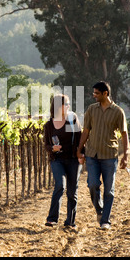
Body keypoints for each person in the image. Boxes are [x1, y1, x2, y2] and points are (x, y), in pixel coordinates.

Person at [77, 81, 129, 230]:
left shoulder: (118, 112)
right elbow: (86, 131)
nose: (94, 96)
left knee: (109, 190)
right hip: (92, 154)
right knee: (92, 185)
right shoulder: (91, 110)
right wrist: (79, 149)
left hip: (110, 155)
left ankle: (105, 220)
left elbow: (124, 134)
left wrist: (125, 155)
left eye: (96, 93)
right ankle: (99, 210)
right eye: (94, 93)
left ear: (105, 93)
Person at [43, 94, 83, 228]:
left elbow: (80, 138)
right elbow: (46, 145)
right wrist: (52, 148)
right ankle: (52, 218)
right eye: (66, 104)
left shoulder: (72, 120)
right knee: (60, 185)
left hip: (72, 160)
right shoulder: (49, 125)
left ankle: (70, 221)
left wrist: (81, 154)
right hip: (57, 159)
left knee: (72, 191)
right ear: (58, 106)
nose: (68, 106)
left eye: (68, 104)